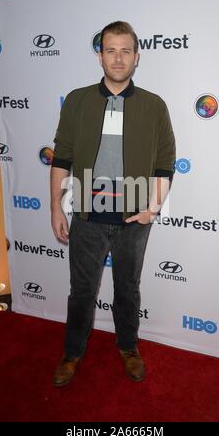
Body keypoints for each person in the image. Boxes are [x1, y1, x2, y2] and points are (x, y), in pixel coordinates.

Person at [50, 21, 176, 386]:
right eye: (110, 50)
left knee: (128, 288)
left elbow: (165, 163)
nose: (118, 58)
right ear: (100, 55)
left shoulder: (154, 106)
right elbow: (62, 157)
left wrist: (153, 206)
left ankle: (128, 348)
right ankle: (72, 353)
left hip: (136, 217)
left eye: (125, 50)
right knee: (82, 292)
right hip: (87, 216)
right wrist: (57, 206)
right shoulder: (77, 100)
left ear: (137, 57)